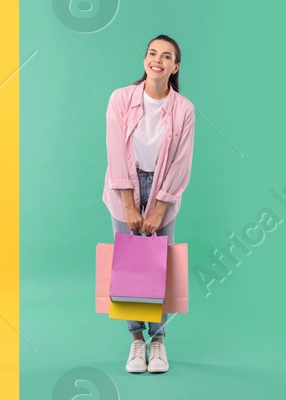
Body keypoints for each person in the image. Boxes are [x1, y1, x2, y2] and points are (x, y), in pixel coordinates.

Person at [102, 34, 193, 374]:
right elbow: (115, 152)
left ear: (175, 67)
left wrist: (158, 209)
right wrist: (128, 204)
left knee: (158, 268)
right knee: (129, 266)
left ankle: (159, 343)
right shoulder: (121, 98)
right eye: (152, 53)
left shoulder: (183, 109)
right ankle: (136, 341)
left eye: (166, 56)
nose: (158, 59)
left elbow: (181, 163)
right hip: (124, 185)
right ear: (145, 59)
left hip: (163, 190)